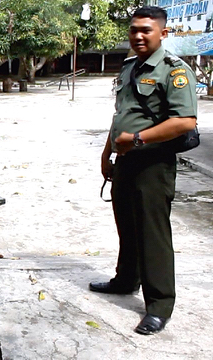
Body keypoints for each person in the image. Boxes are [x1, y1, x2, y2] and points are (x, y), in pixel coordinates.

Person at [90, 6, 197, 335]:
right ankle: (126, 279)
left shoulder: (174, 71)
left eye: (146, 31)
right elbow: (119, 114)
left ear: (162, 34)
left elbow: (185, 122)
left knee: (153, 235)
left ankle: (159, 305)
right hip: (125, 160)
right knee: (127, 225)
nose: (138, 35)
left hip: (153, 163)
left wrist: (136, 139)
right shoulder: (129, 68)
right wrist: (108, 153)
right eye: (134, 29)